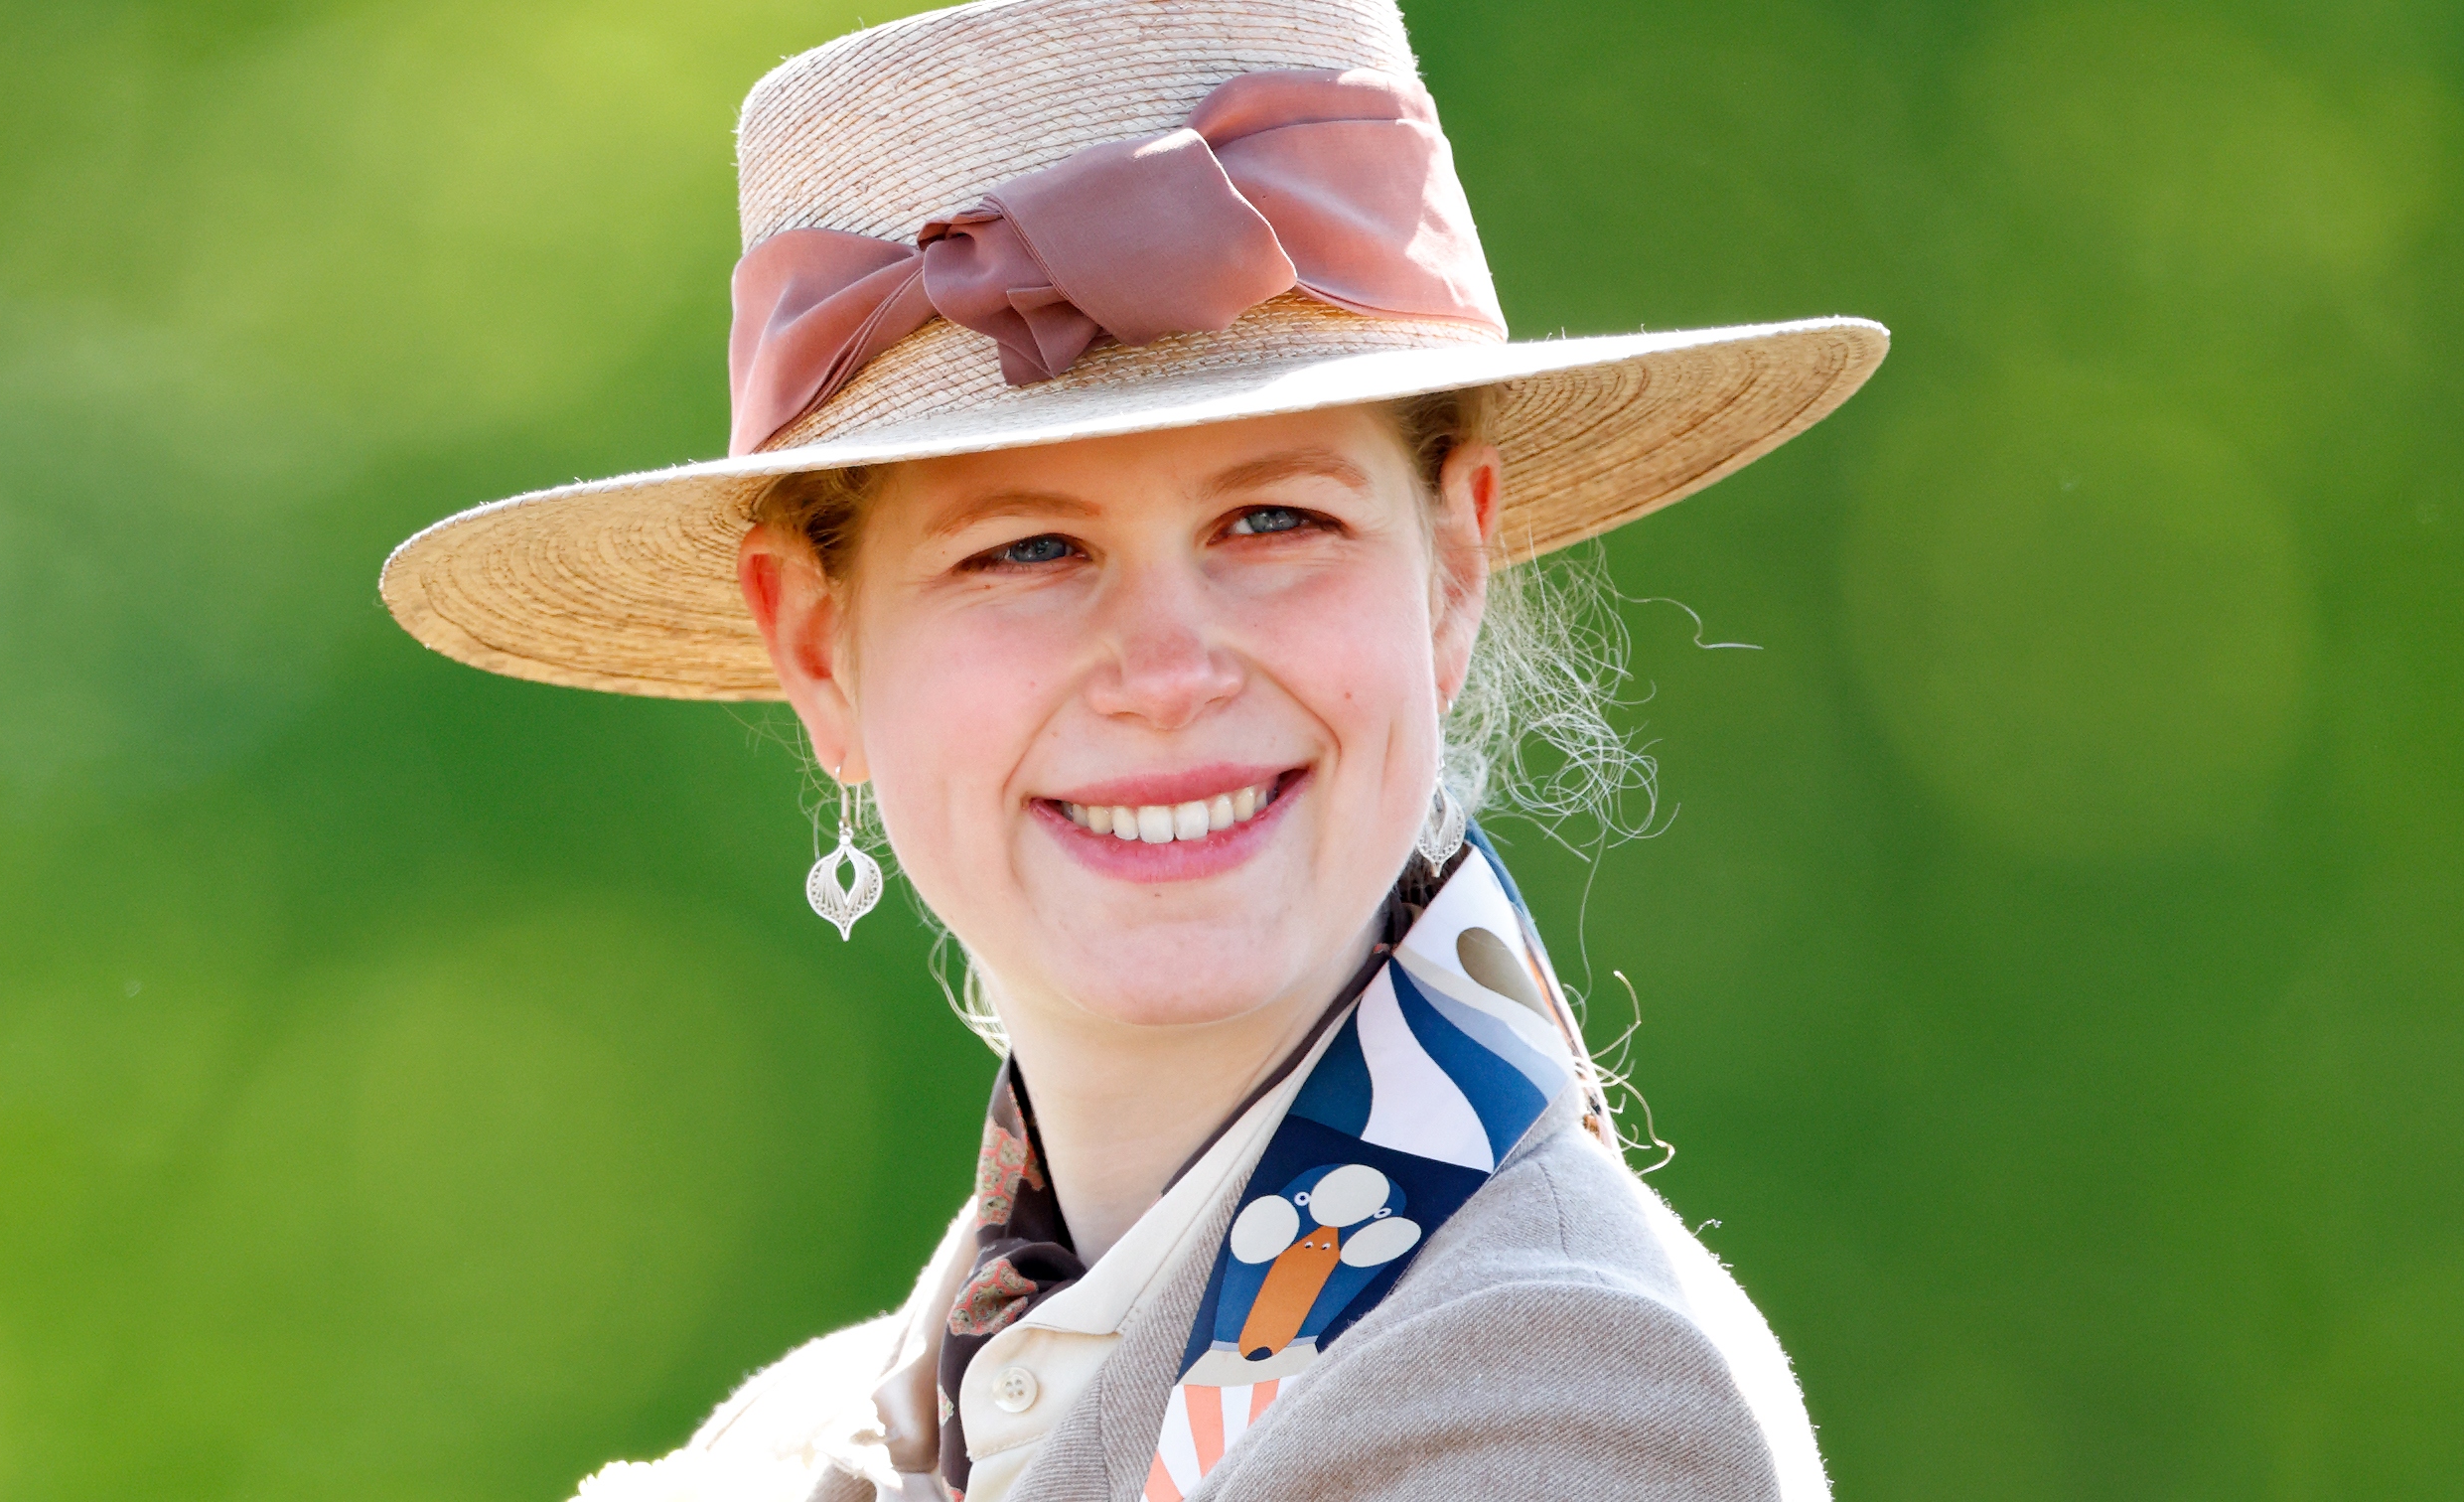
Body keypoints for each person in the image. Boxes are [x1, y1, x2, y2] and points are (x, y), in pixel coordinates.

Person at [379, 0, 1885, 1497]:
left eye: (1276, 520)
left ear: (1450, 572)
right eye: (1027, 550)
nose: (1166, 674)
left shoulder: (1561, 1399)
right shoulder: (805, 1444)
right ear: (820, 652)